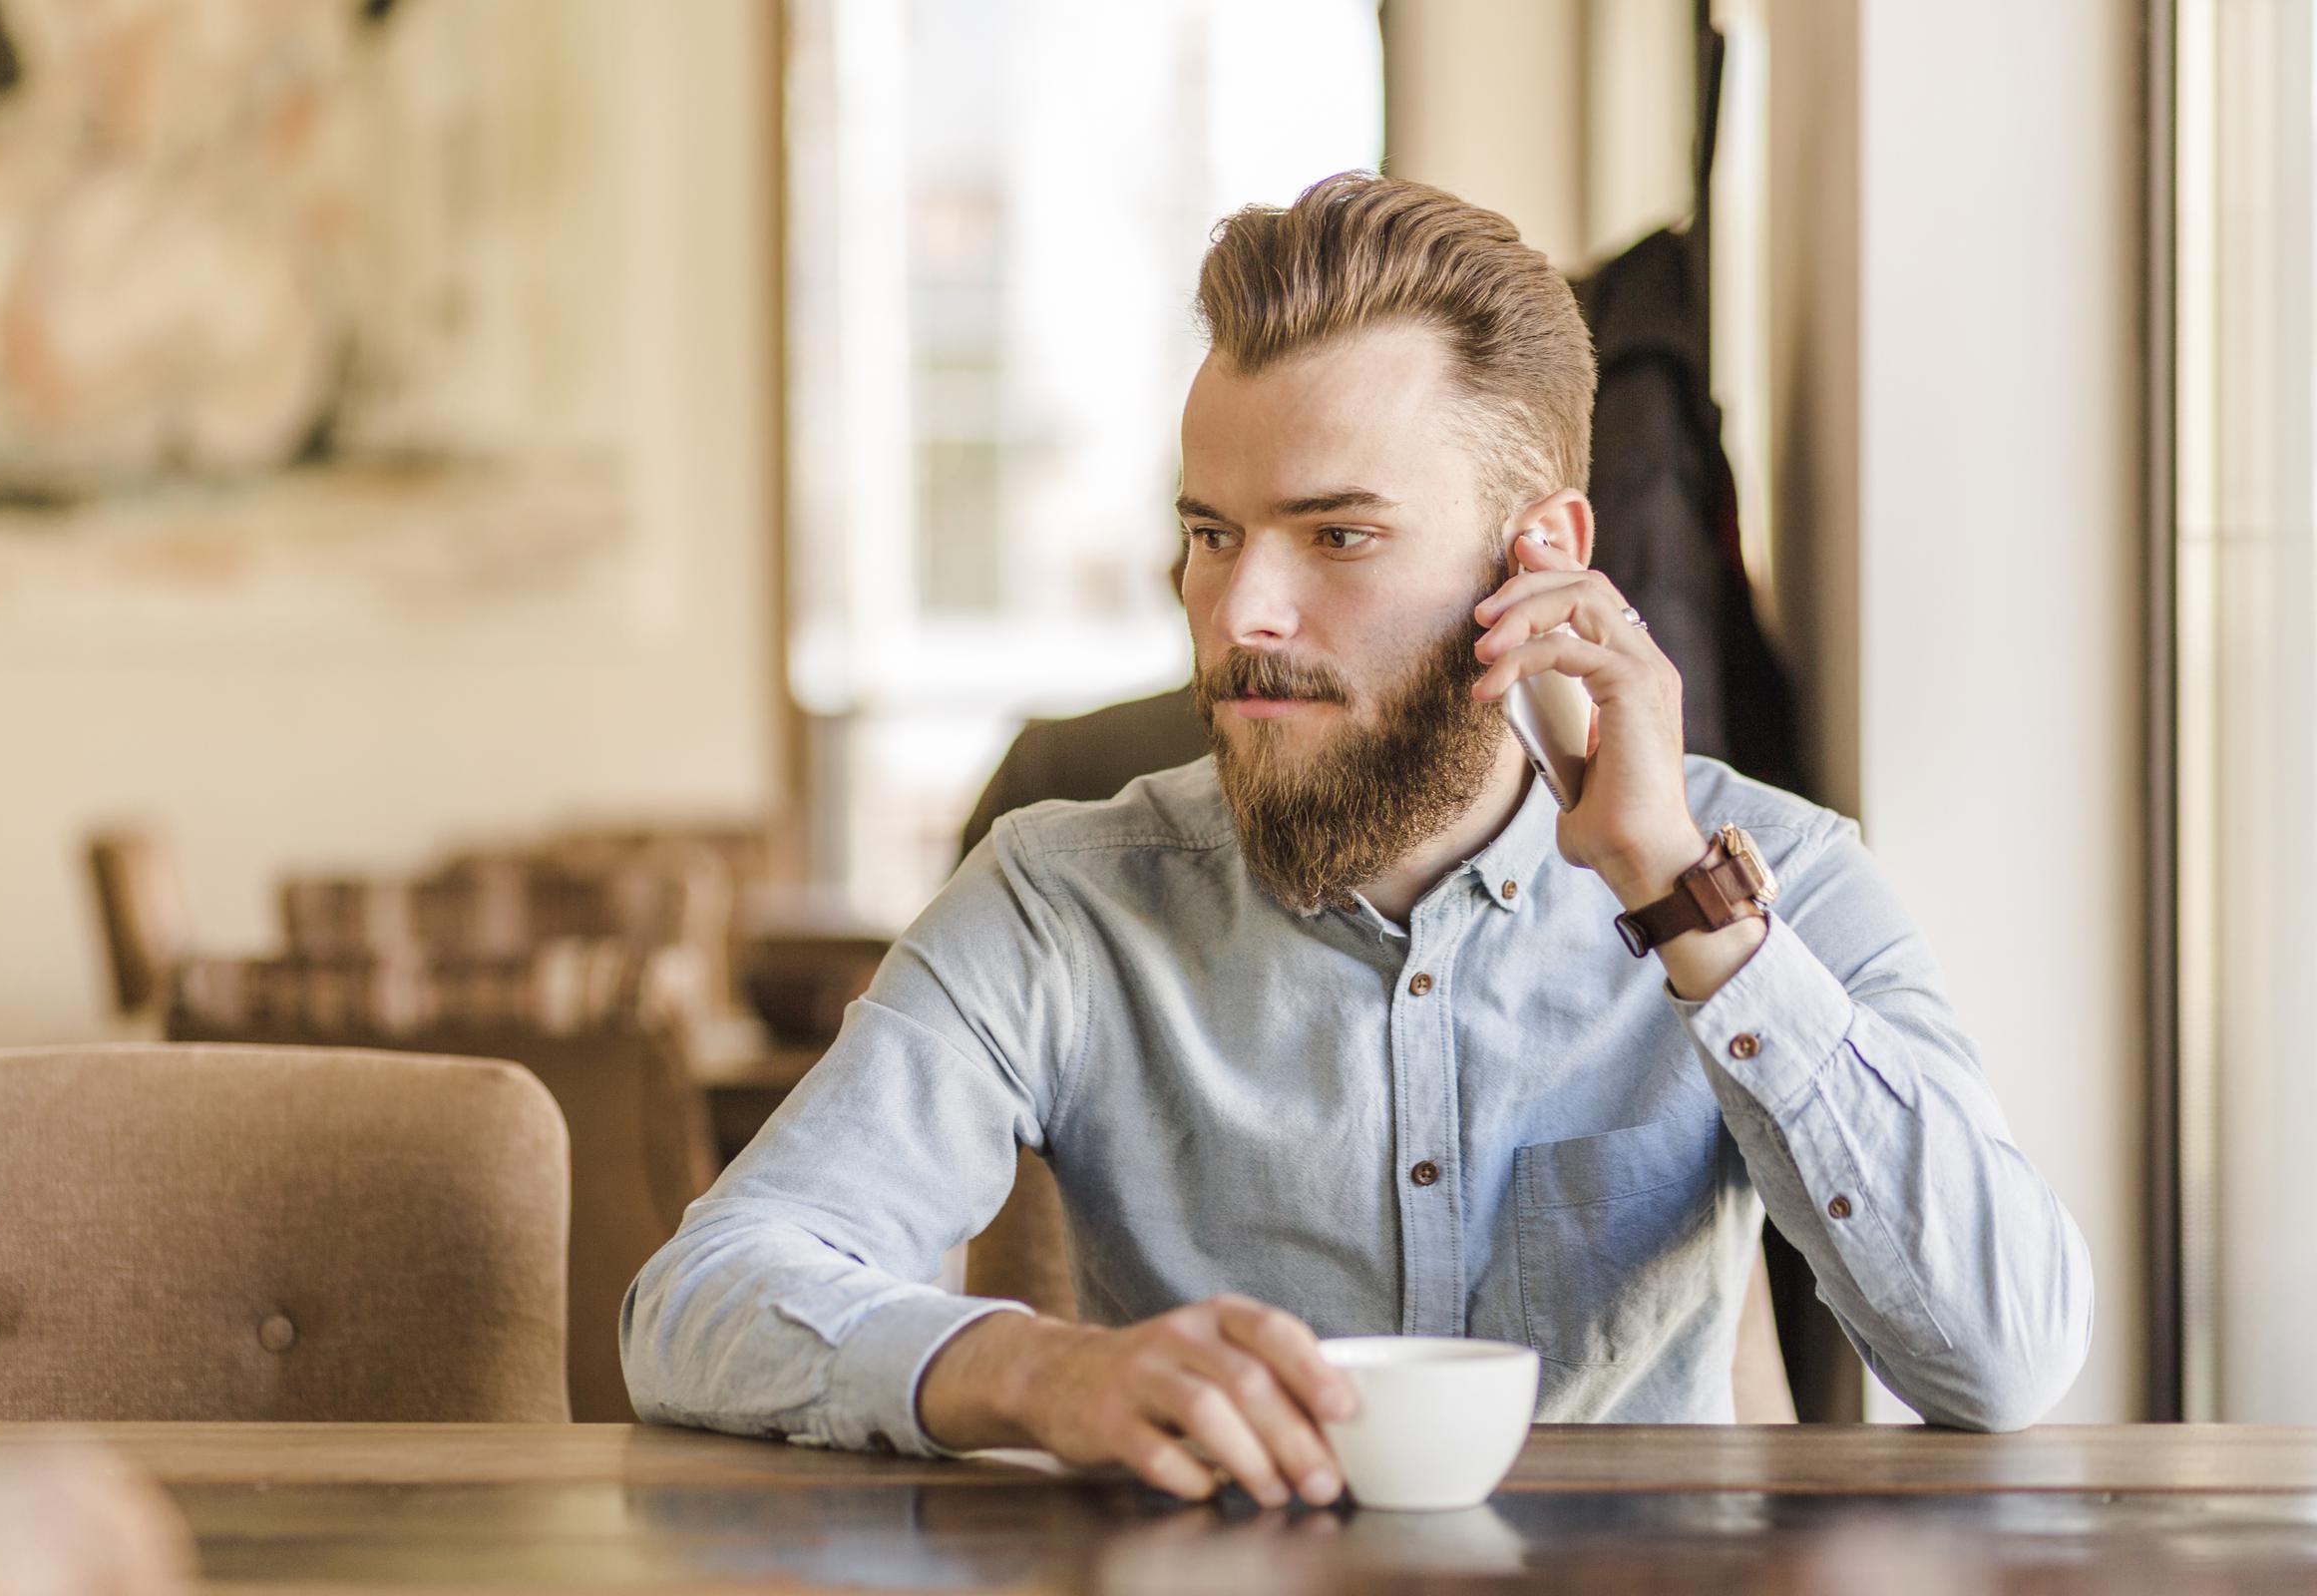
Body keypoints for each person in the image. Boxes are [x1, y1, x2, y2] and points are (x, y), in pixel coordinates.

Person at [622, 174, 2092, 1509]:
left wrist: (1682, 900)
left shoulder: (1774, 870)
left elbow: (2005, 1354)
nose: (1241, 612)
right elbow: (700, 1303)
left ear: (1542, 558)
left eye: (1336, 536)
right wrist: (1039, 1371)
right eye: (1211, 533)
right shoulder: (1058, 902)